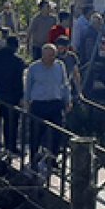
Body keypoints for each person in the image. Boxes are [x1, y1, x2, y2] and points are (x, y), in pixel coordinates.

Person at [23, 43, 73, 178]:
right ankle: (34, 159)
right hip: (39, 104)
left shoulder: (59, 66)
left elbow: (65, 84)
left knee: (58, 132)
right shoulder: (34, 68)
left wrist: (68, 100)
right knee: (36, 133)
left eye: (53, 55)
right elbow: (28, 86)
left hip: (55, 103)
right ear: (43, 55)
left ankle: (52, 159)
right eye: (49, 55)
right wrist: (26, 102)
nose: (51, 58)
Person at [0, 36, 25, 156]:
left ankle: (7, 145)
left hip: (0, 93)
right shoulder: (17, 61)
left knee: (5, 119)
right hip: (14, 95)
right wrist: (21, 95)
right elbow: (19, 81)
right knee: (14, 121)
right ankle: (12, 146)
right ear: (16, 46)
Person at [55, 35, 83, 100]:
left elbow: (76, 74)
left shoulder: (72, 57)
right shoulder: (54, 57)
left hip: (67, 84)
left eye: (62, 48)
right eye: (59, 48)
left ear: (67, 47)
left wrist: (79, 92)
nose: (60, 50)